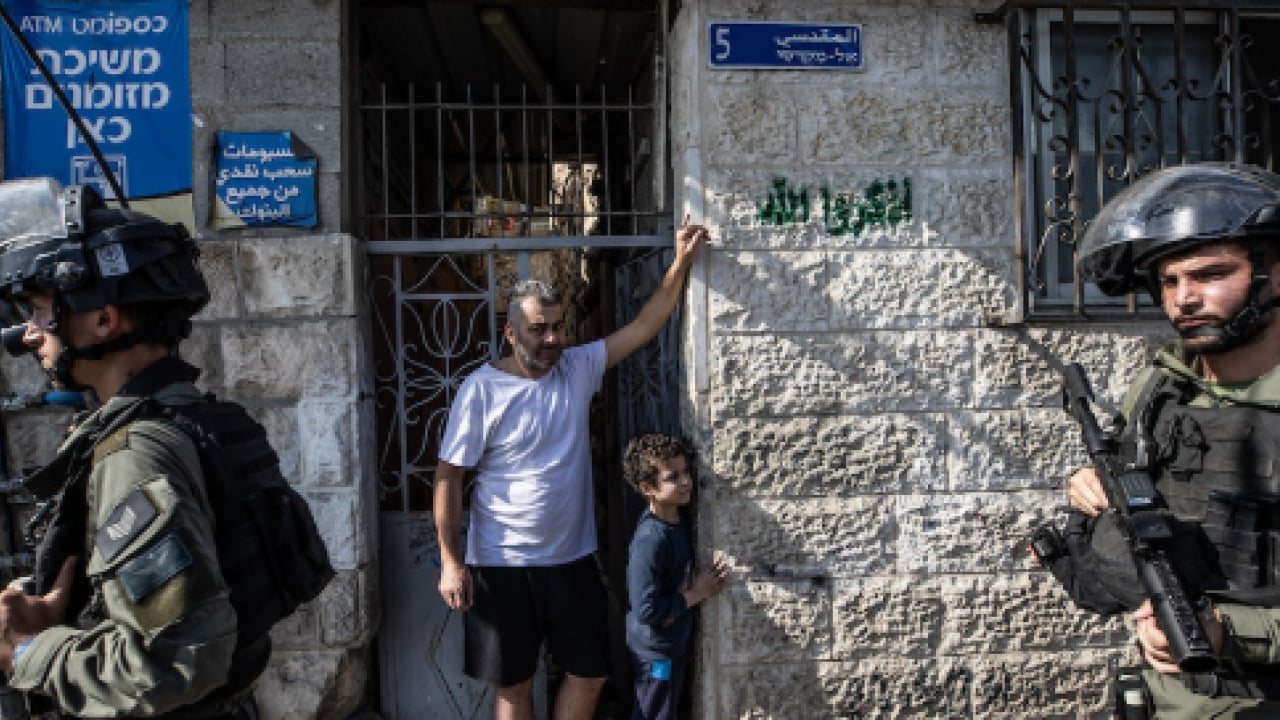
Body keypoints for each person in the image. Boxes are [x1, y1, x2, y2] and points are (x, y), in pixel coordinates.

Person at [433, 216, 708, 720]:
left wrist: (681, 262)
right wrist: (451, 560)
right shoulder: (482, 389)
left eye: (559, 327)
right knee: (514, 687)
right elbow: (448, 477)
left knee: (590, 674)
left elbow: (646, 326)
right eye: (538, 329)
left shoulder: (579, 367)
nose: (552, 339)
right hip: (500, 564)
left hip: (572, 559)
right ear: (510, 332)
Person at [0, 178, 255, 718]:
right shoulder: (193, 417)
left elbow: (171, 662)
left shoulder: (136, 451)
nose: (28, 335)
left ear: (102, 318)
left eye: (41, 311)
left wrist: (26, 651)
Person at [1061, 163, 1280, 719]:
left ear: (1274, 275)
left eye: (1210, 274)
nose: (1184, 299)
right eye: (1169, 281)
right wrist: (1097, 491)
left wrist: (1231, 634)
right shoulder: (1163, 387)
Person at [622, 433, 727, 720]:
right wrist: (698, 593)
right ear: (648, 488)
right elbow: (645, 609)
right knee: (654, 712)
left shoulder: (678, 520)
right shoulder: (650, 541)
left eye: (685, 472)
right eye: (673, 477)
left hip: (672, 645)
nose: (685, 481)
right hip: (656, 652)